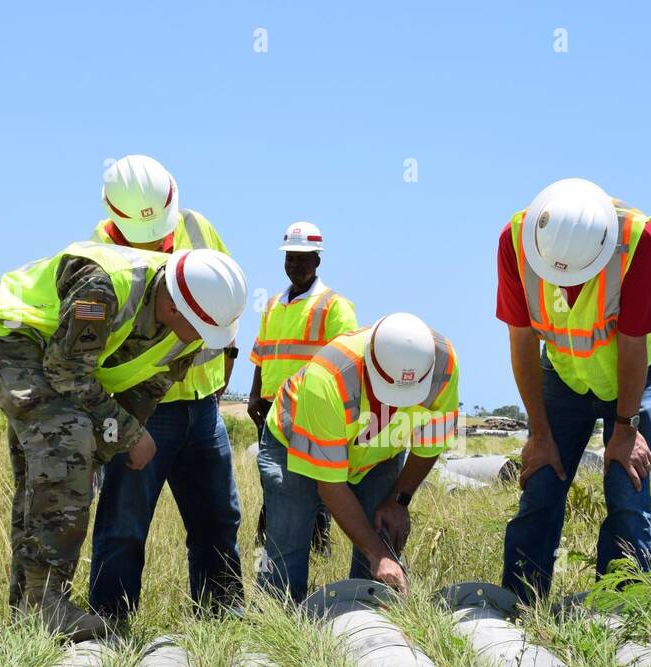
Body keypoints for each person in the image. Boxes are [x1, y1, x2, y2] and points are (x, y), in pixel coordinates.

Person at [0, 242, 247, 640]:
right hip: (9, 333)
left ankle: (28, 609)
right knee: (67, 439)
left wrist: (114, 440)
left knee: (54, 467)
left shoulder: (189, 324)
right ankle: (47, 604)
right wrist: (128, 435)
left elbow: (144, 390)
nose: (204, 341)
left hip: (59, 355)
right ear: (172, 309)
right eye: (202, 330)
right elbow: (66, 371)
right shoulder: (103, 289)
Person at [497, 178, 651, 602]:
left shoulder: (637, 239)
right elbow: (522, 341)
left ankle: (622, 607)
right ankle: (520, 604)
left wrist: (626, 429)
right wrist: (539, 436)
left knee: (624, 479)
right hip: (566, 371)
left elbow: (632, 346)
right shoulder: (515, 240)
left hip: (642, 369)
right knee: (542, 477)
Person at [85, 155, 245, 620]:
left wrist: (225, 365)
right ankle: (111, 627)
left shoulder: (198, 227)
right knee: (124, 524)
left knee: (218, 519)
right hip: (143, 409)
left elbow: (227, 294)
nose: (157, 239)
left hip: (203, 405)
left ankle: (221, 621)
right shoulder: (97, 251)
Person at [257, 313, 458, 602]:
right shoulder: (329, 376)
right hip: (296, 446)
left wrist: (399, 500)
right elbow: (330, 485)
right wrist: (376, 553)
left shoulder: (443, 365)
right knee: (289, 543)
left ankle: (365, 622)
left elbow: (430, 443)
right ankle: (276, 620)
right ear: (370, 366)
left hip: (377, 454)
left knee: (381, 540)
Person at [246, 221, 358, 553]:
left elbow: (347, 361)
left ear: (317, 261)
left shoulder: (334, 305)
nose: (295, 265)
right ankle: (270, 546)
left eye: (303, 259)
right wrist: (254, 395)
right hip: (271, 410)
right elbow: (261, 352)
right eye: (290, 258)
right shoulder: (272, 304)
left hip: (310, 410)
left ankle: (319, 547)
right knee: (274, 479)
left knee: (316, 482)